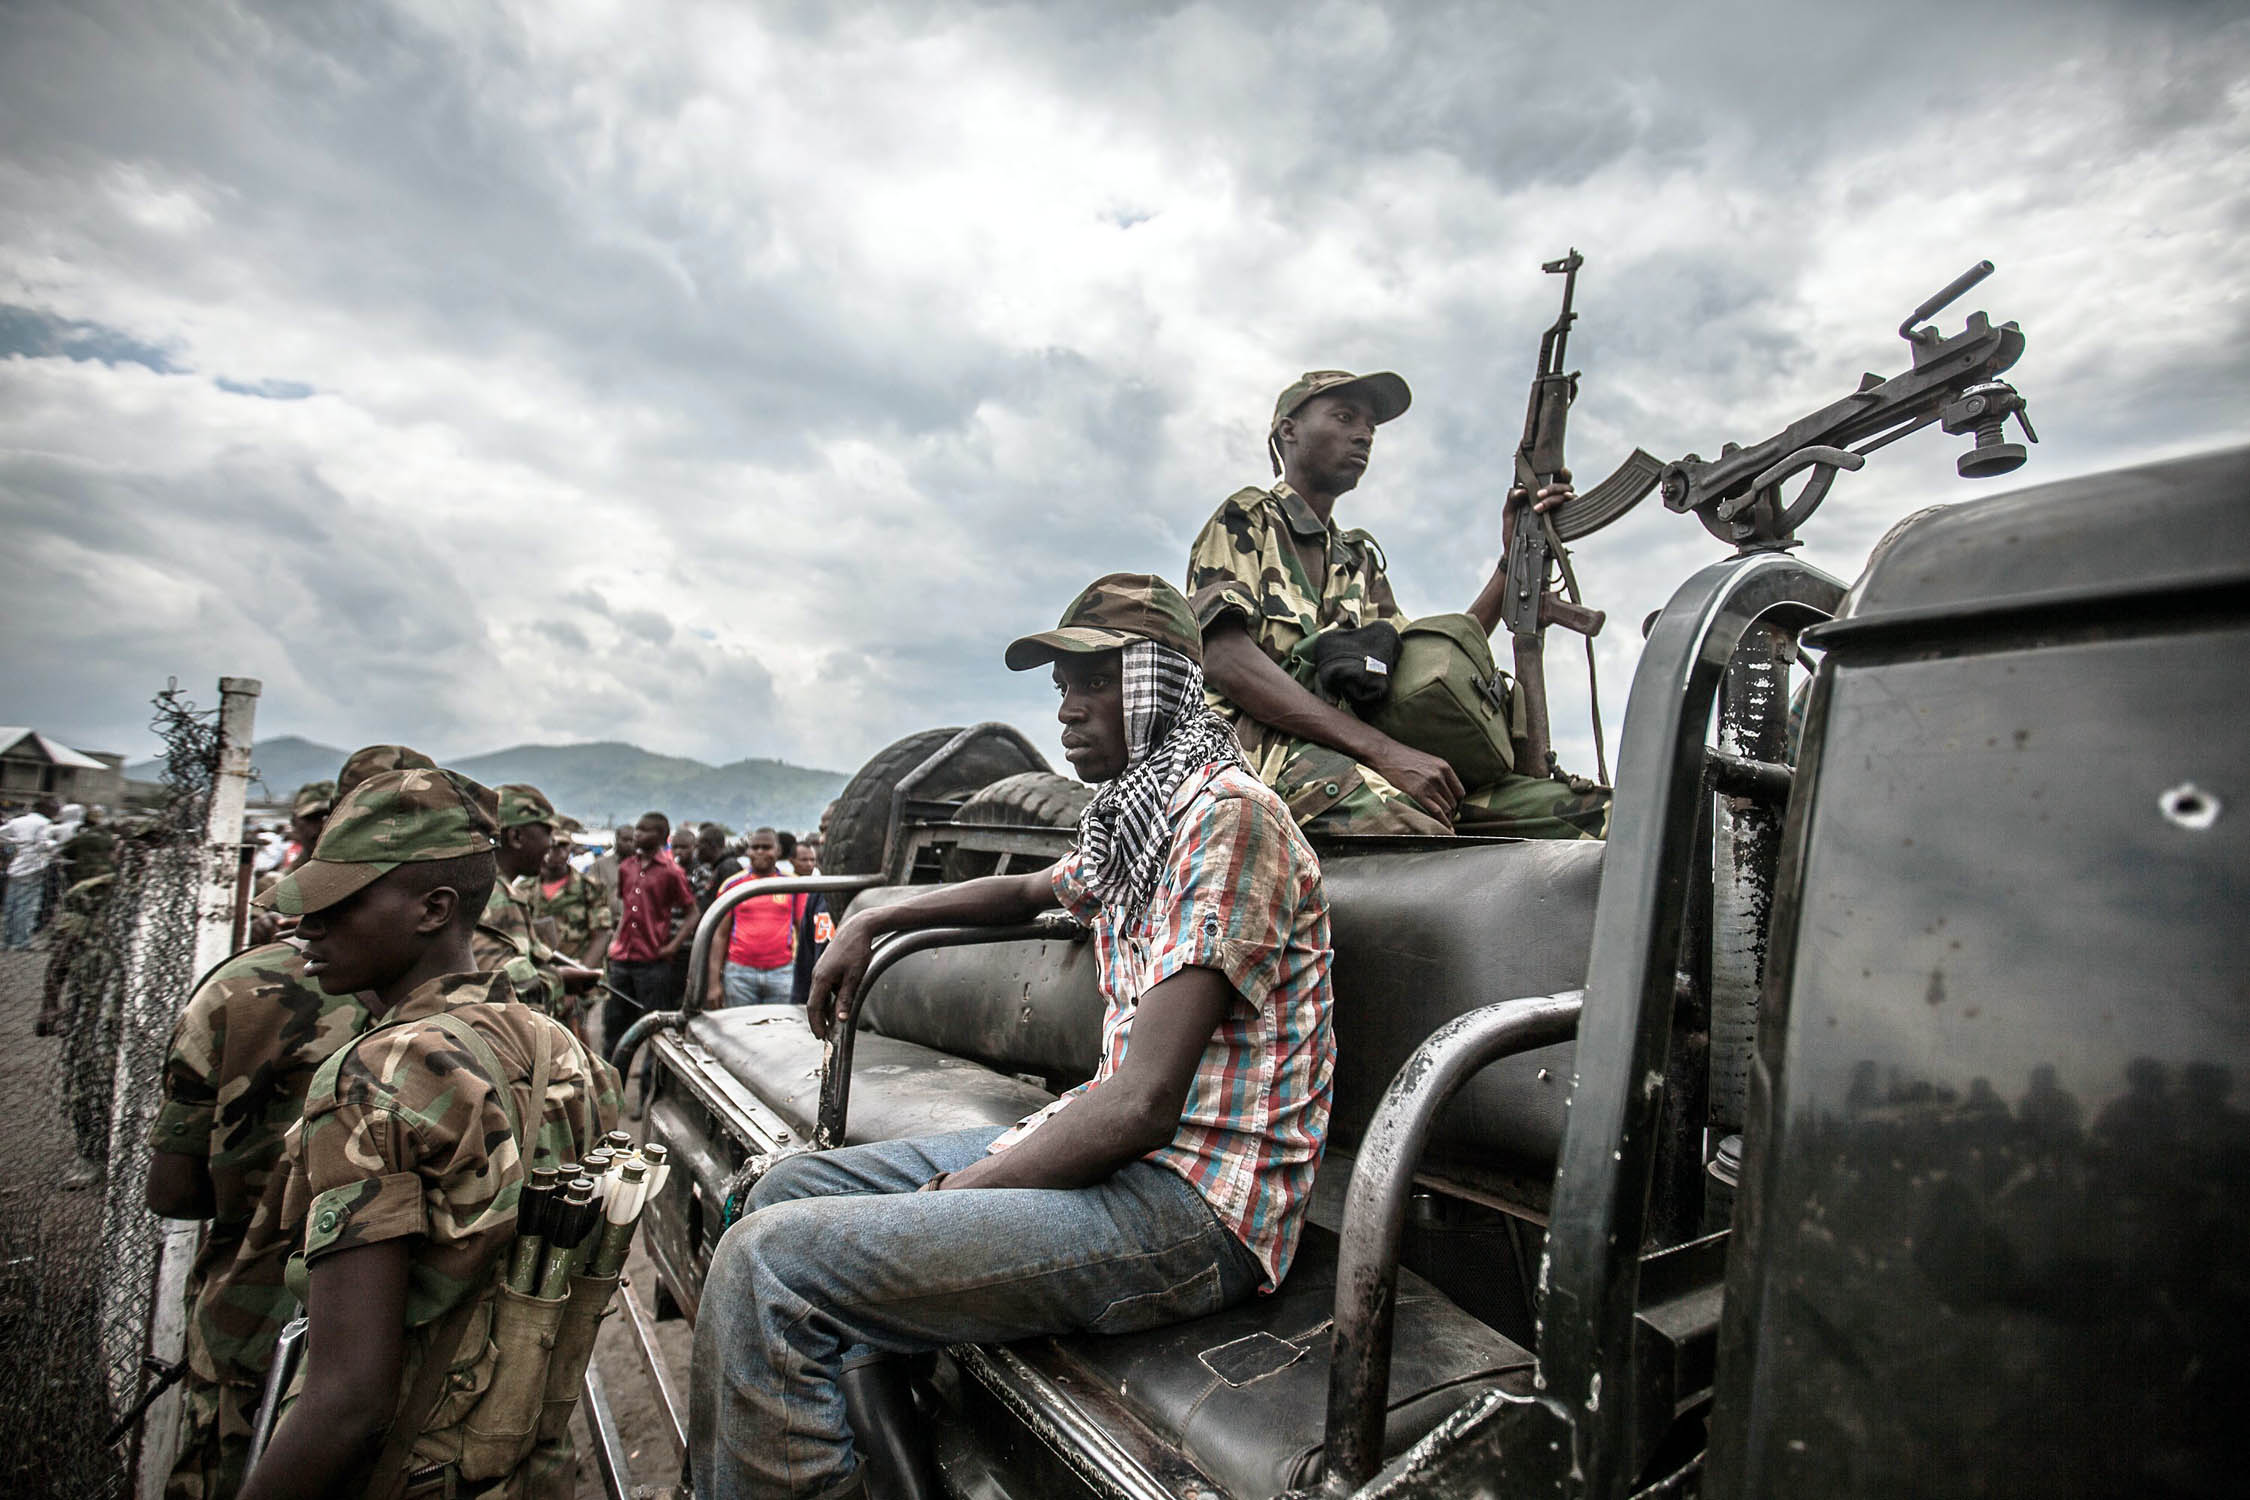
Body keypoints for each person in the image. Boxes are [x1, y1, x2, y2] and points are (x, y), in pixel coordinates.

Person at [690, 573, 1334, 1500]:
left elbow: (1143, 1104)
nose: (1066, 709)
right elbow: (1029, 892)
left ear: (1158, 684)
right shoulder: (1136, 816)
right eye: (1059, 687)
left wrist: (957, 1193)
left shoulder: (1228, 819)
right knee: (783, 1187)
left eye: (1091, 682)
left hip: (1199, 1208)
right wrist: (878, 917)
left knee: (770, 1269)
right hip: (1131, 1162)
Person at [232, 766, 617, 1500]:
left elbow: (349, 1402)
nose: (307, 926)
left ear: (434, 908)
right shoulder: (565, 1052)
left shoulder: (373, 1076)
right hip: (523, 1463)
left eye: (337, 905)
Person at [144, 745, 432, 1499]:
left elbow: (174, 1190)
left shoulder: (242, 990)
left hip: (252, 1324)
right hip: (428, 1353)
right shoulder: (494, 1006)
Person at [1185, 368, 1608, 838]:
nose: (1363, 435)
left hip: (1363, 759)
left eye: (1369, 426)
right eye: (1345, 417)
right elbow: (1223, 659)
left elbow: (1427, 661)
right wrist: (1384, 752)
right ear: (1288, 431)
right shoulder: (1247, 519)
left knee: (1595, 815)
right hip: (1262, 759)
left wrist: (1510, 565)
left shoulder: (1357, 558)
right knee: (1423, 827)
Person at [474, 783, 602, 1024]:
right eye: (547, 833)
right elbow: (509, 995)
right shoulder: (499, 896)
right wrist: (560, 981)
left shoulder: (481, 883)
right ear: (517, 837)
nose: (550, 845)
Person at [604, 811, 699, 1060]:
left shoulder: (671, 871)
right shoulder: (627, 868)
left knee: (653, 1030)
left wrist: (672, 946)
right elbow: (626, 910)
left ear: (660, 836)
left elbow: (692, 913)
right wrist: (615, 941)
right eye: (637, 829)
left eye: (644, 830)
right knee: (613, 1027)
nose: (637, 834)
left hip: (652, 961)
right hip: (623, 959)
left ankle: (648, 1090)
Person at [707, 828, 798, 1009]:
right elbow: (720, 935)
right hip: (739, 974)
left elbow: (804, 930)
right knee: (740, 1030)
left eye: (766, 847)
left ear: (778, 851)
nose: (760, 852)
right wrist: (713, 983)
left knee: (781, 1031)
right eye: (755, 847)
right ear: (748, 851)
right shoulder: (733, 885)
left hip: (783, 973)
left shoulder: (793, 883)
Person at [530, 830, 612, 968]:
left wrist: (582, 971)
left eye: (562, 846)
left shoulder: (590, 887)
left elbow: (601, 935)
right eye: (551, 845)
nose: (555, 852)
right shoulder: (525, 888)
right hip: (539, 973)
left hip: (578, 970)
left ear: (570, 848)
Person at [2, 795, 60, 948]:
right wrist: (53, 845)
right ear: (44, 809)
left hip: (15, 867)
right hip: (34, 867)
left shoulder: (17, 821)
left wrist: (18, 843)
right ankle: (20, 941)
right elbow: (43, 844)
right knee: (26, 906)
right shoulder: (45, 824)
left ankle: (6, 940)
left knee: (11, 905)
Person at [787, 833, 833, 1013]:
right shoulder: (818, 892)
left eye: (828, 828)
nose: (822, 839)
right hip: (820, 1004)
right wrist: (798, 1004)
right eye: (821, 830)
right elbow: (805, 958)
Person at [281, 782, 334, 871]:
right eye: (312, 818)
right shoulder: (287, 881)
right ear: (294, 822)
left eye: (331, 816)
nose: (323, 826)